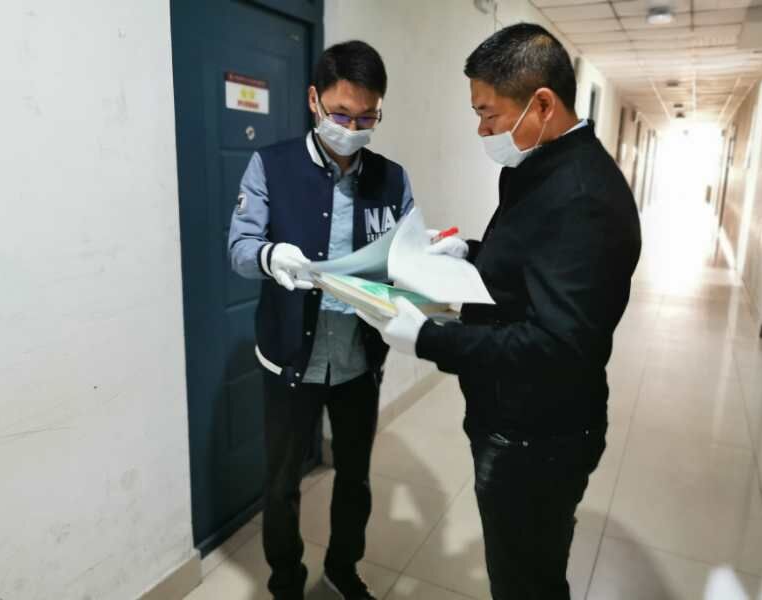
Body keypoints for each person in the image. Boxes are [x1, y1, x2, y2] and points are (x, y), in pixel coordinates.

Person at [358, 24, 641, 600]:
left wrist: (429, 338)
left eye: (488, 114)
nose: (482, 130)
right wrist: (471, 254)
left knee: (524, 583)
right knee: (524, 569)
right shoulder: (540, 167)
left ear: (543, 104)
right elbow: (535, 265)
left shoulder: (583, 197)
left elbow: (558, 346)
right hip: (512, 415)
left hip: (537, 437)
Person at [228, 40, 413, 600]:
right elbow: (239, 248)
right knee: (282, 483)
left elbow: (406, 254)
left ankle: (342, 568)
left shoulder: (392, 179)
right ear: (314, 100)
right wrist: (269, 256)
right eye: (341, 114)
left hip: (358, 357)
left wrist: (431, 260)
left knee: (355, 476)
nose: (352, 129)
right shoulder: (271, 166)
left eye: (367, 118)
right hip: (291, 355)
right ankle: (286, 581)